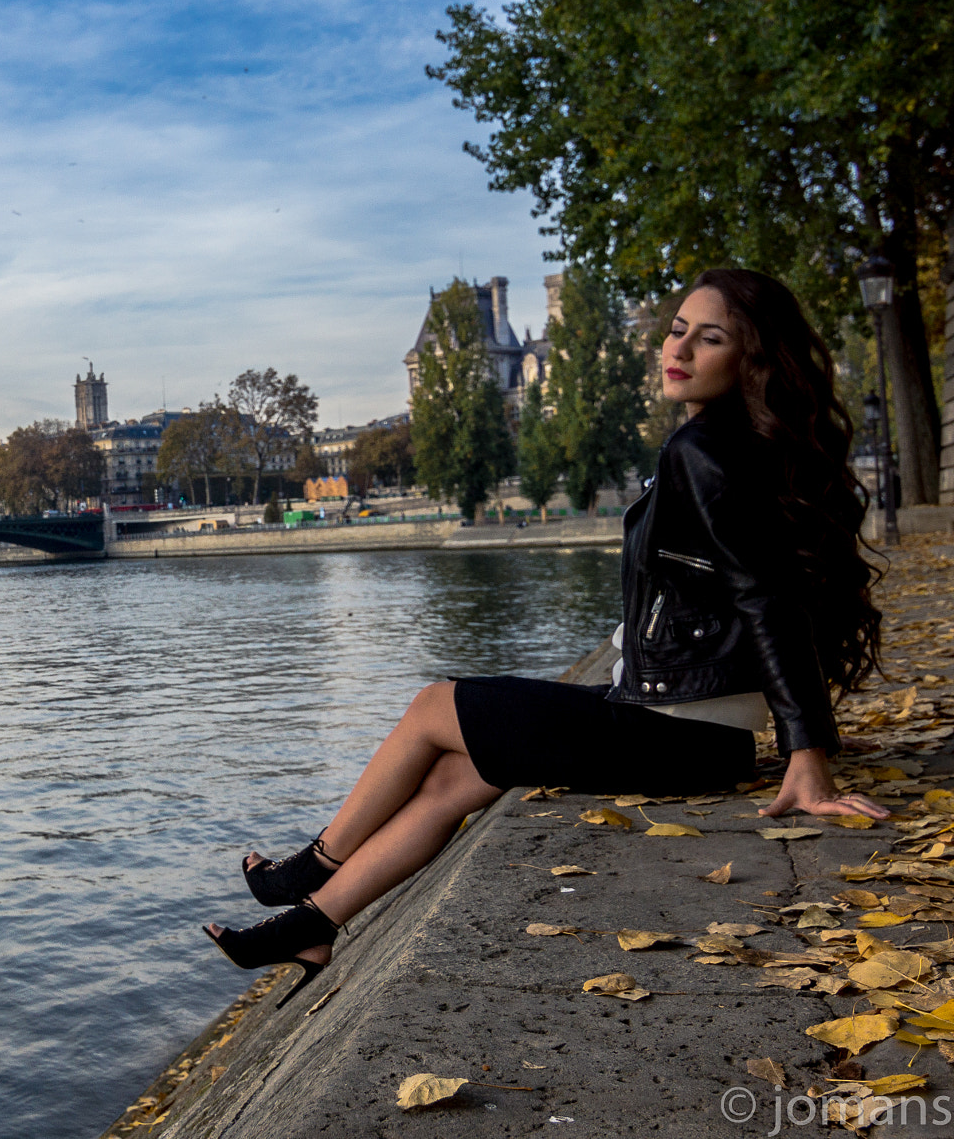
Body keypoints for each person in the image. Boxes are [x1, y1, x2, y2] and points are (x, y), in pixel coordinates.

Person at [205, 269, 887, 985]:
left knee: (434, 705)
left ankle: (315, 862)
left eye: (708, 337)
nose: (677, 347)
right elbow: (769, 598)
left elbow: (765, 597)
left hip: (672, 730)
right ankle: (311, 926)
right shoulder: (741, 442)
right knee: (455, 775)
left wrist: (808, 753)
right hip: (690, 730)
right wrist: (803, 734)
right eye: (678, 328)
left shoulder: (704, 451)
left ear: (750, 359)